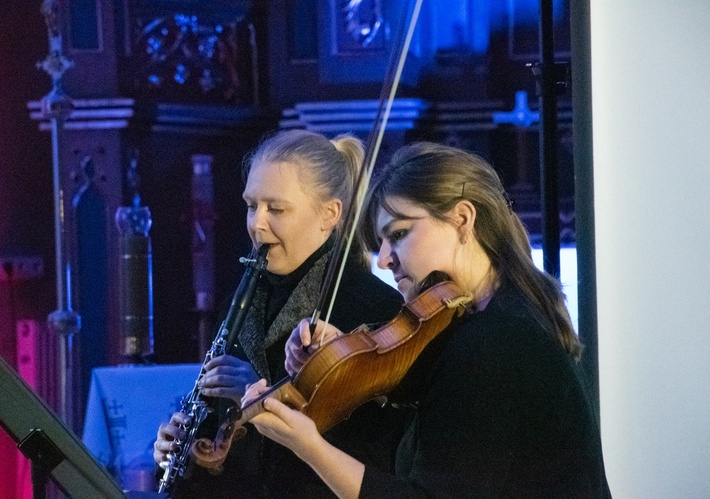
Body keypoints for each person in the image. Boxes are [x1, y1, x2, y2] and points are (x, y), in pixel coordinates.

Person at [244, 142, 611, 497]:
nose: (385, 259)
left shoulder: (496, 340)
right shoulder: (495, 317)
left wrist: (309, 447)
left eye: (399, 234)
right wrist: (338, 352)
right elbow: (432, 387)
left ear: (463, 220)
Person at [153, 129, 405, 497]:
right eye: (252, 205)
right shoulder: (242, 298)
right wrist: (194, 447)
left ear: (329, 214)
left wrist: (256, 392)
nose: (256, 223)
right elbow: (231, 438)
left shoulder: (372, 307)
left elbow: (371, 449)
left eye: (276, 208)